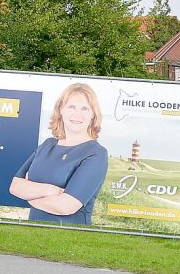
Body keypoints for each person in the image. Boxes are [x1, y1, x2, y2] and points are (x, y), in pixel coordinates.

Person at [10, 83, 109, 226]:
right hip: (32, 231)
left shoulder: (96, 154)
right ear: (61, 110)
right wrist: (51, 190)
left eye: (85, 108)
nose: (77, 114)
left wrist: (29, 195)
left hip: (69, 238)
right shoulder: (47, 145)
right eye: (71, 107)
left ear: (93, 115)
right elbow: (15, 186)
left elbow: (66, 206)